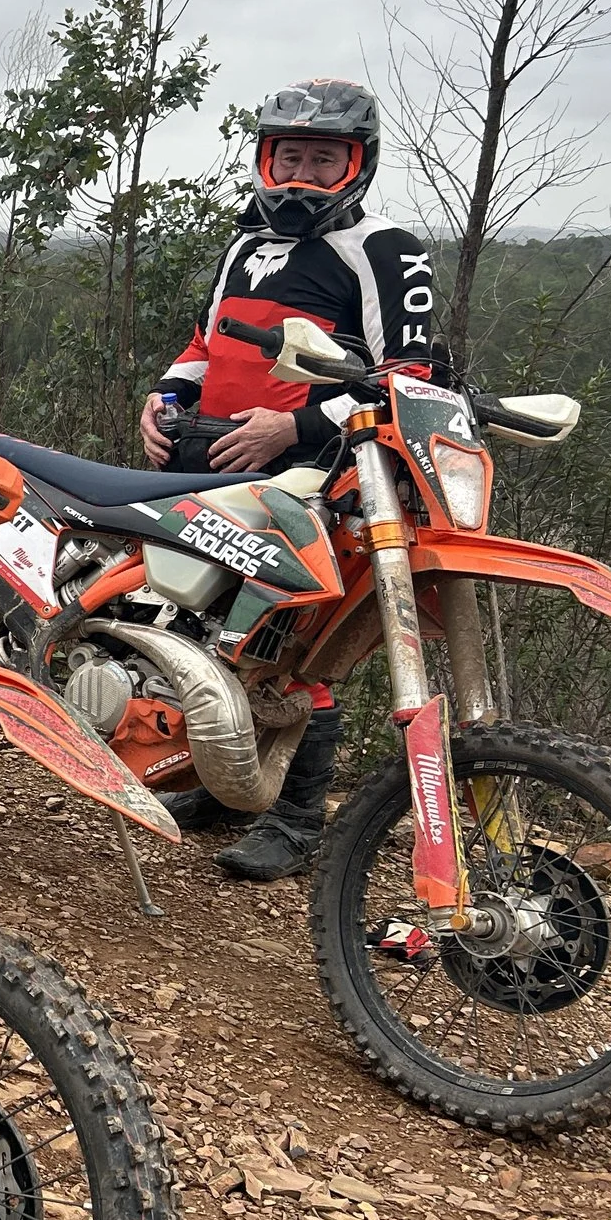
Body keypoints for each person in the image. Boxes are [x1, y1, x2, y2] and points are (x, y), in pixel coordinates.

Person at [143, 77, 434, 884]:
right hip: (210, 459)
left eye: (323, 159)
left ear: (357, 165)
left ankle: (299, 817)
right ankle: (218, 782)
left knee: (296, 648)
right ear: (265, 159)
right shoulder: (243, 244)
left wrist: (297, 425)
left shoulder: (384, 248)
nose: (302, 176)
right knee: (205, 631)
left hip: (317, 471)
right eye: (289, 156)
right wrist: (165, 397)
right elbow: (204, 343)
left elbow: (410, 374)